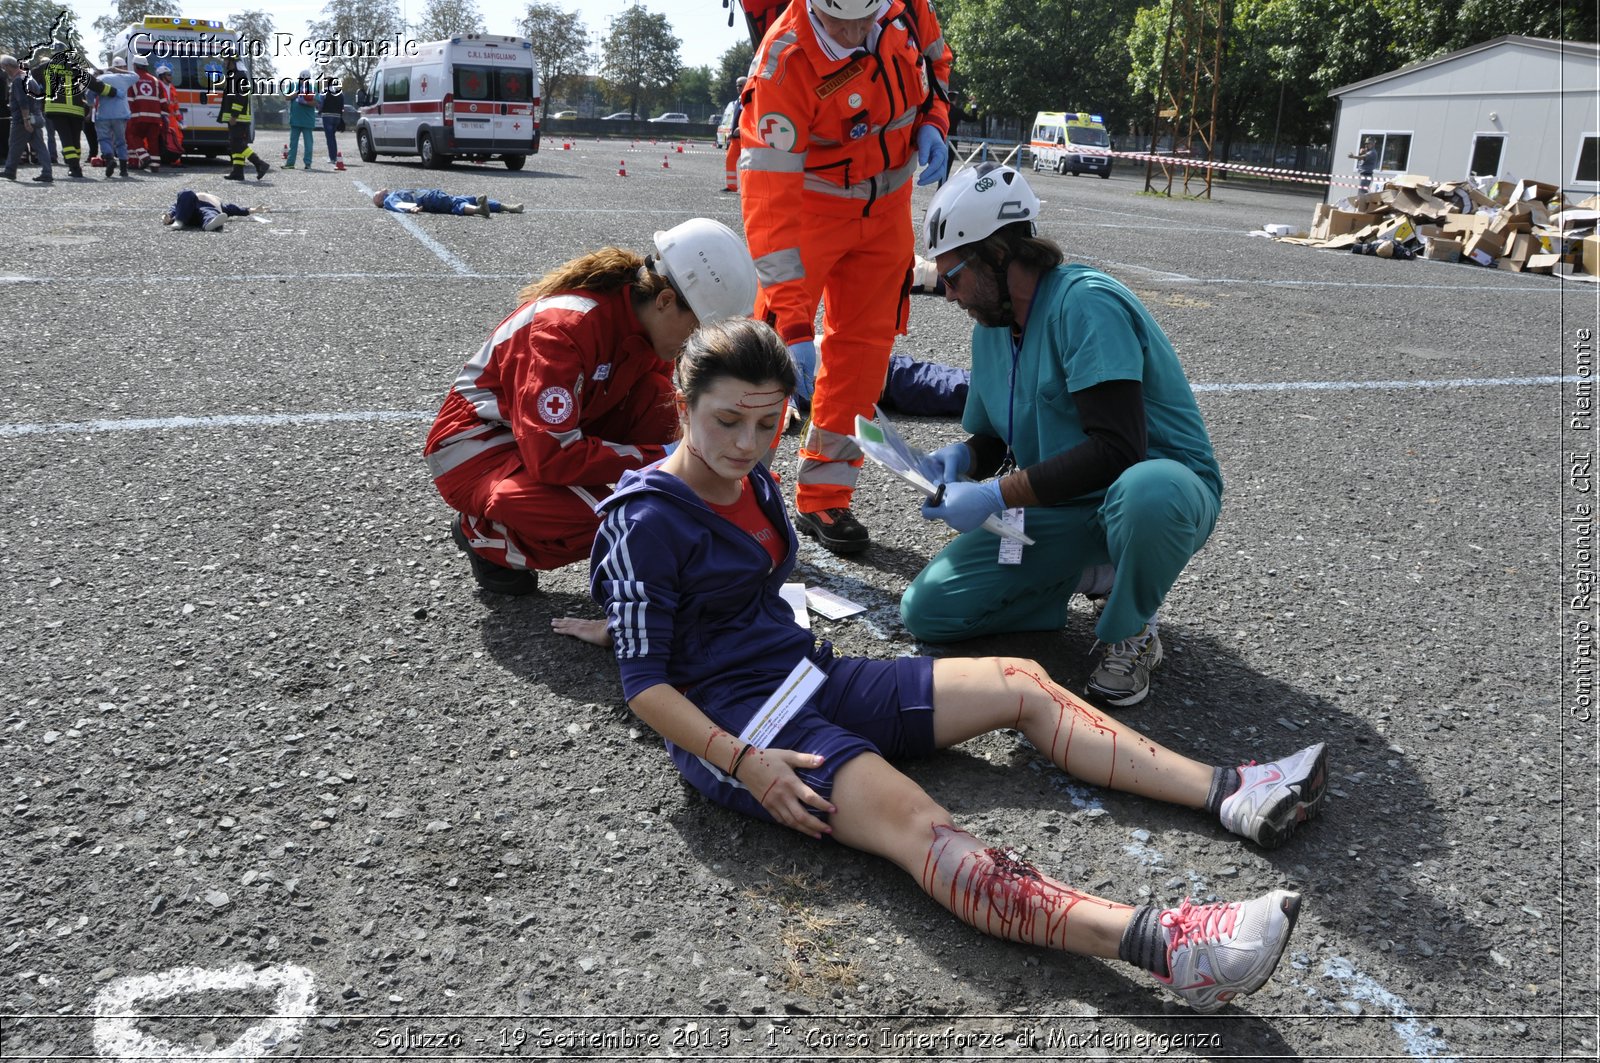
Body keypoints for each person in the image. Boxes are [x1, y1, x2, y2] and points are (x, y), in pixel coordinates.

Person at [566, 317, 1326, 1012]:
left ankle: (1231, 793)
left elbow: (702, 605)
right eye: (727, 420)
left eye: (769, 424)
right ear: (682, 399)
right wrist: (746, 763)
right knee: (924, 829)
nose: (748, 441)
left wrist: (639, 623)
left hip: (810, 675)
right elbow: (646, 686)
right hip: (756, 732)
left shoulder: (750, 478)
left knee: (1021, 681)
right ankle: (1173, 946)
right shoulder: (643, 519)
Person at [907, 164, 1222, 708]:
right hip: (1064, 505)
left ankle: (1131, 627)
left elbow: (1118, 449)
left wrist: (993, 495)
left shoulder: (1085, 304)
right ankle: (1095, 575)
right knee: (930, 610)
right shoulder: (994, 332)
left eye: (953, 276)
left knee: (1147, 493)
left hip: (1149, 496)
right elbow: (995, 439)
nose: (950, 295)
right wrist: (961, 457)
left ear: (997, 254)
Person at [424, 219, 759, 594]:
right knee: (627, 521)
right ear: (665, 301)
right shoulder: (564, 329)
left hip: (541, 436)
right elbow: (553, 456)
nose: (696, 345)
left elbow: (670, 415)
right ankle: (484, 536)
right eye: (697, 330)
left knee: (661, 400)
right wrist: (664, 457)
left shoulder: (646, 326)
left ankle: (679, 540)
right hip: (478, 450)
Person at [739, 0, 952, 555]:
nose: (859, 34)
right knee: (764, 361)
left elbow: (936, 68)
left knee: (862, 358)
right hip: (811, 210)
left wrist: (934, 123)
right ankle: (739, 498)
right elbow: (769, 206)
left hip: (887, 213)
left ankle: (825, 496)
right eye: (843, 24)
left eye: (868, 20)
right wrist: (791, 324)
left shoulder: (905, 11)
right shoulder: (783, 66)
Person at [35, 41, 88, 179]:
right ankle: (76, 167)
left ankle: (74, 168)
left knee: (66, 140)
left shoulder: (45, 67)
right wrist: (112, 91)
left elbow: (28, 79)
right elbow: (92, 82)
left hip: (57, 110)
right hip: (76, 110)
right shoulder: (76, 68)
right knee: (75, 140)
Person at [217, 57, 268, 181]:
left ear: (232, 62)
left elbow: (240, 98)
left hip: (239, 118)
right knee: (235, 145)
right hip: (237, 117)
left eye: (226, 60)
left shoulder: (240, 77)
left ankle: (260, 164)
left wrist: (234, 115)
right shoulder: (235, 76)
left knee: (238, 144)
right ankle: (238, 172)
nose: (224, 63)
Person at [2, 54, 50, 183]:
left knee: (14, 145)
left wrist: (26, 120)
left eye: (3, 67)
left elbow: (22, 102)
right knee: (40, 147)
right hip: (37, 117)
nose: (3, 70)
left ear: (7, 66)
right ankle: (47, 172)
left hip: (23, 120)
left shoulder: (18, 80)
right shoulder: (30, 79)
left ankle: (10, 171)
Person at [89, 57, 136, 179]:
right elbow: (136, 75)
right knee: (121, 141)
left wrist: (91, 105)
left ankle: (109, 159)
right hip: (121, 115)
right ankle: (123, 170)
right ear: (122, 67)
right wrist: (119, 71)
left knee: (104, 139)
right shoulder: (125, 79)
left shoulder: (100, 78)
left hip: (103, 115)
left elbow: (89, 94)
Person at [125, 54, 164, 172]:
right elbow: (163, 101)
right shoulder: (156, 81)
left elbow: (129, 101)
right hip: (155, 118)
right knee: (153, 141)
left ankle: (144, 157)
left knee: (133, 136)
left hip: (138, 117)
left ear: (135, 66)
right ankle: (155, 165)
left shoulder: (132, 80)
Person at [160, 189, 265, 231]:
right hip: (188, 211)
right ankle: (179, 221)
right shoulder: (193, 197)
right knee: (186, 193)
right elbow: (176, 206)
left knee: (211, 212)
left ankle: (210, 223)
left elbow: (233, 209)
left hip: (207, 210)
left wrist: (252, 210)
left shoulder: (217, 202)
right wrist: (168, 215)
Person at [371, 188, 523, 217]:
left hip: (432, 195)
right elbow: (398, 206)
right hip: (428, 198)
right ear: (379, 200)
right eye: (378, 194)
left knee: (466, 198)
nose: (380, 191)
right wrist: (411, 209)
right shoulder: (389, 200)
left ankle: (506, 207)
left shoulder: (390, 195)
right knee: (454, 205)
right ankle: (479, 210)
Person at [285, 70, 317, 168]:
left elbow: (316, 102)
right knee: (293, 144)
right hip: (295, 120)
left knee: (308, 144)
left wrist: (306, 102)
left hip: (308, 121)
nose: (304, 81)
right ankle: (290, 163)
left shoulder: (313, 88)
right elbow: (287, 97)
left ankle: (308, 164)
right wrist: (298, 93)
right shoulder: (292, 85)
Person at [154, 64, 184, 167]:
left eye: (170, 74)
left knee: (178, 137)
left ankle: (175, 160)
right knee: (154, 138)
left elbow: (175, 105)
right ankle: (153, 159)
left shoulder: (172, 88)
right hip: (160, 117)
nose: (171, 76)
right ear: (162, 76)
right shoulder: (157, 86)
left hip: (171, 118)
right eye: (168, 74)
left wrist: (180, 119)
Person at [721, 76, 746, 193]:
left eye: (741, 85)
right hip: (736, 137)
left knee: (746, 164)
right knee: (729, 159)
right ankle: (731, 186)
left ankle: (747, 188)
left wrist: (741, 128)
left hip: (746, 137)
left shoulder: (751, 98)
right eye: (737, 85)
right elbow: (735, 118)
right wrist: (731, 133)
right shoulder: (738, 100)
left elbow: (751, 117)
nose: (738, 87)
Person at [318, 80, 344, 170]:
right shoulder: (339, 92)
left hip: (327, 116)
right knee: (333, 136)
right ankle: (335, 156)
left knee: (329, 137)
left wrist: (319, 110)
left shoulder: (324, 91)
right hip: (337, 116)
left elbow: (321, 104)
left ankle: (332, 158)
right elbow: (342, 105)